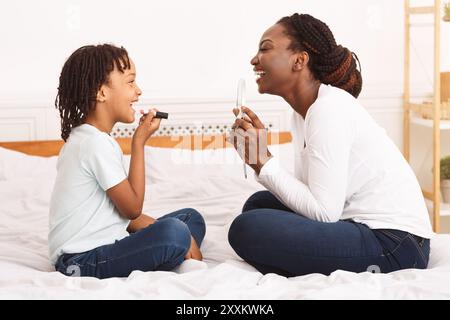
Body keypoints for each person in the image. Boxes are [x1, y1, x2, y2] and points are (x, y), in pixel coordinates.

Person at [228, 13, 432, 277]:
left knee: (246, 229)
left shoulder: (329, 109)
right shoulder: (303, 113)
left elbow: (324, 213)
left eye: (265, 48)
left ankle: (304, 264)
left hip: (396, 245)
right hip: (355, 223)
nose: (254, 59)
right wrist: (260, 158)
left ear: (299, 60)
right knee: (258, 204)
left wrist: (263, 161)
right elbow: (311, 196)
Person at [49, 44, 205, 279]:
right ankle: (176, 252)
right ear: (101, 93)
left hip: (106, 240)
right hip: (79, 261)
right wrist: (138, 143)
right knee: (175, 232)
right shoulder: (94, 144)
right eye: (130, 82)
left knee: (189, 218)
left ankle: (173, 251)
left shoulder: (91, 138)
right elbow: (132, 209)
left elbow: (119, 216)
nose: (138, 91)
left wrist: (176, 231)